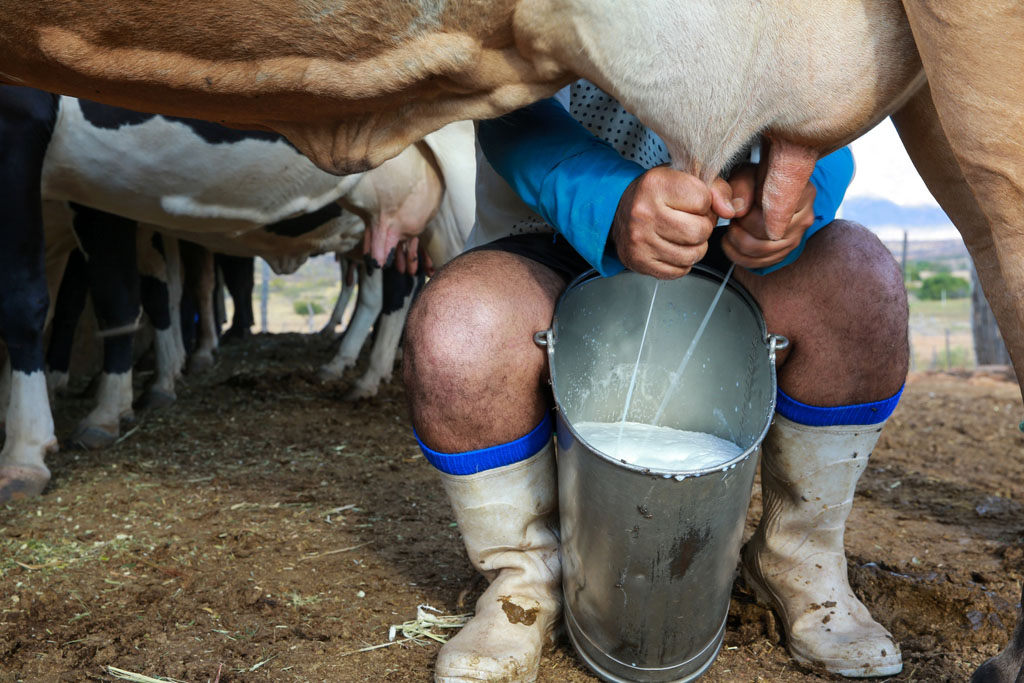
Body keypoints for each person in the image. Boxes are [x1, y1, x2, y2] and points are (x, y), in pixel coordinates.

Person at [404, 81, 909, 681]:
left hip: (729, 251)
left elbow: (831, 100)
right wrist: (610, 198)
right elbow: (504, 100)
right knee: (456, 327)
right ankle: (526, 583)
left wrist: (794, 192)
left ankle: (800, 560)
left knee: (861, 280)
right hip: (547, 240)